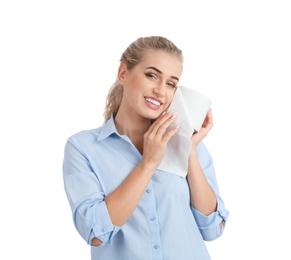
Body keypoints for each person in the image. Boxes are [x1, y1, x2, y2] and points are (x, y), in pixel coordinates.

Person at [62, 35, 229, 260]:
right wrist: (148, 163)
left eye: (171, 84)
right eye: (152, 75)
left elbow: (212, 228)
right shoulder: (83, 148)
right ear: (123, 73)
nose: (161, 91)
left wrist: (187, 150)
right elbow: (96, 232)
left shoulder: (188, 143)